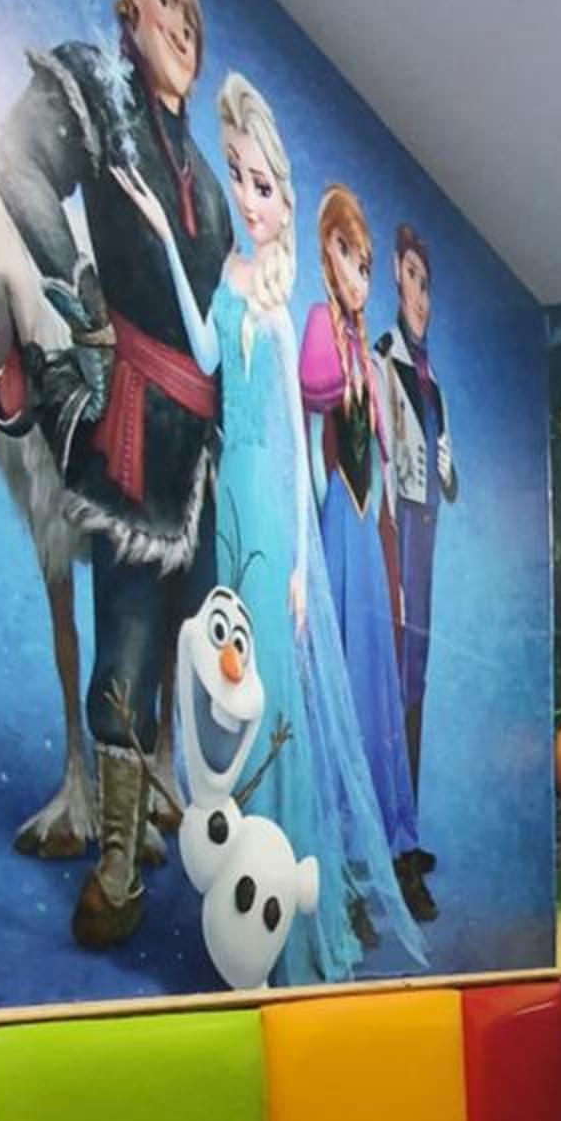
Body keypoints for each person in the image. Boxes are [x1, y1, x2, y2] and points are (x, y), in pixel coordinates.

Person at [114, 77, 424, 982]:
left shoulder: (287, 308)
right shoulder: (230, 282)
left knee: (276, 696)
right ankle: (238, 898)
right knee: (232, 685)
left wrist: (297, 563)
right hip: (231, 505)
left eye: (262, 184)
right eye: (238, 178)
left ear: (284, 199)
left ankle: (289, 918)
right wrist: (167, 237)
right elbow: (206, 356)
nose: (249, 200)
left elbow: (294, 439)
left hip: (271, 510)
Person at [0, 0, 230, 947]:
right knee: (127, 635)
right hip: (133, 424)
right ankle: (119, 868)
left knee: (202, 644)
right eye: (168, 5)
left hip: (202, 445)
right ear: (131, 3)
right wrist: (80, 294)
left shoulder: (201, 170)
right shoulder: (98, 90)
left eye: (193, 20)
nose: (183, 29)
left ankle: (187, 823)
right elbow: (16, 164)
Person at [299, 187, 431, 921]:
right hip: (335, 534)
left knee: (379, 695)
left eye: (366, 264)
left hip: (370, 536)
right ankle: (345, 866)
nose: (360, 275)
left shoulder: (368, 354)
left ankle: (390, 849)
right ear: (328, 253)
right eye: (348, 256)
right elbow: (314, 386)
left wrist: (395, 572)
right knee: (343, 697)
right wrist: (336, 319)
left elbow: (383, 462)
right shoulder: (324, 329)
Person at [374, 223, 457, 917]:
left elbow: (446, 472)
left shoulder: (433, 382)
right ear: (394, 285)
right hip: (395, 533)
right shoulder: (382, 363)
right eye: (411, 280)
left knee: (417, 682)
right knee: (394, 682)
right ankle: (393, 847)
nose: (421, 296)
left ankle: (408, 829)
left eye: (427, 284)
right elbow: (376, 459)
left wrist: (447, 466)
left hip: (425, 532)